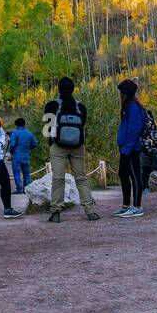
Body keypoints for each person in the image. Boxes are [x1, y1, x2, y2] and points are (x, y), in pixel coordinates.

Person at [43, 76, 99, 223]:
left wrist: (52, 143)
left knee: (58, 178)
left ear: (58, 89)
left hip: (58, 146)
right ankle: (90, 211)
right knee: (81, 178)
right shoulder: (81, 107)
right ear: (73, 89)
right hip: (78, 146)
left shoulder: (51, 105)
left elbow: (47, 129)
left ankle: (56, 212)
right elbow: (82, 125)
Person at [115, 78, 147, 218]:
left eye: (120, 92)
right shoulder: (128, 106)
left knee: (135, 176)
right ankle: (126, 205)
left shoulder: (133, 106)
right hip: (125, 147)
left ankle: (137, 206)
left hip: (131, 148)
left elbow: (135, 129)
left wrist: (126, 148)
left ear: (124, 93)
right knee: (123, 175)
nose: (119, 94)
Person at [8, 117, 39, 193]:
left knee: (17, 173)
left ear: (16, 125)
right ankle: (26, 190)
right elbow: (35, 143)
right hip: (26, 156)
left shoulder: (15, 133)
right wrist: (29, 149)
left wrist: (11, 151)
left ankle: (19, 189)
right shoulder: (29, 133)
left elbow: (12, 145)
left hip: (16, 157)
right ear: (24, 124)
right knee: (26, 173)